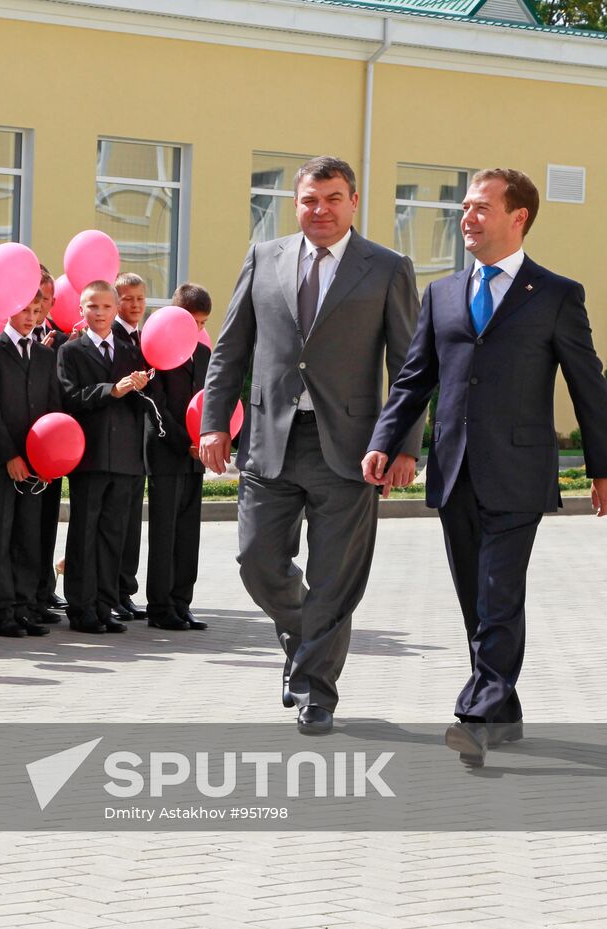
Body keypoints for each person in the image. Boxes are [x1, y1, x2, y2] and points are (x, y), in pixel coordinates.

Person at [363, 168, 607, 767]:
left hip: (518, 473)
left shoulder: (556, 295)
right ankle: (503, 709)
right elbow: (413, 379)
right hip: (454, 470)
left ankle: (476, 716)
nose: (467, 217)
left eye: (481, 207)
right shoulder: (443, 294)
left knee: (498, 597)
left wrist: (603, 466)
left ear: (518, 217)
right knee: (475, 602)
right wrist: (386, 438)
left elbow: (588, 386)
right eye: (464, 207)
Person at [199, 155, 422, 736]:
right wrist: (214, 422)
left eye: (332, 198)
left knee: (334, 579)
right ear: (295, 203)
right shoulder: (263, 258)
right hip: (270, 441)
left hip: (351, 448)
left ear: (352, 201)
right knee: (257, 562)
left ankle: (316, 691)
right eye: (309, 200)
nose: (320, 210)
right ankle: (306, 643)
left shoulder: (388, 268)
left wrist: (403, 445)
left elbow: (410, 367)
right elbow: (230, 350)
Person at [57, 280, 149, 635]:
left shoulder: (129, 349)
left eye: (106, 307)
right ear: (81, 310)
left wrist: (142, 384)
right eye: (92, 307)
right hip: (90, 455)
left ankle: (105, 605)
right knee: (85, 532)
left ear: (116, 309)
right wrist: (112, 389)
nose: (99, 313)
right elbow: (69, 396)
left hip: (125, 457)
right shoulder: (72, 351)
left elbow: (144, 400)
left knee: (114, 534)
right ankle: (81, 608)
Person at [0, 289, 60, 637]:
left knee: (28, 535)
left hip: (36, 462)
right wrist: (8, 455)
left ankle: (24, 607)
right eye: (25, 309)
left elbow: (53, 407)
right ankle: (0, 610)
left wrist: (48, 458)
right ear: (10, 310)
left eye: (37, 310)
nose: (31, 316)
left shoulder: (44, 355)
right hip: (1, 461)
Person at [142, 284, 213, 632]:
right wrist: (183, 441)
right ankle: (159, 606)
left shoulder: (203, 355)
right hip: (168, 452)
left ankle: (182, 601)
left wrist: (206, 439)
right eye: (191, 322)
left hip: (194, 457)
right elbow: (155, 405)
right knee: (165, 531)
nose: (197, 330)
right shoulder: (157, 351)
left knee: (188, 533)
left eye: (202, 324)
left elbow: (208, 402)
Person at [111, 272, 151, 622]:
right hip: (117, 440)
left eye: (140, 298)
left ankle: (125, 588)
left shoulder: (149, 337)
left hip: (141, 442)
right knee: (114, 522)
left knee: (131, 523)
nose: (136, 304)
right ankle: (113, 591)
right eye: (128, 299)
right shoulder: (114, 339)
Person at [31, 268, 67, 619]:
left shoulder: (63, 338)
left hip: (52, 446)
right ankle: (25, 594)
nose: (41, 304)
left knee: (47, 523)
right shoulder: (9, 335)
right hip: (21, 444)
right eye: (36, 295)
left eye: (46, 297)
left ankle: (45, 589)